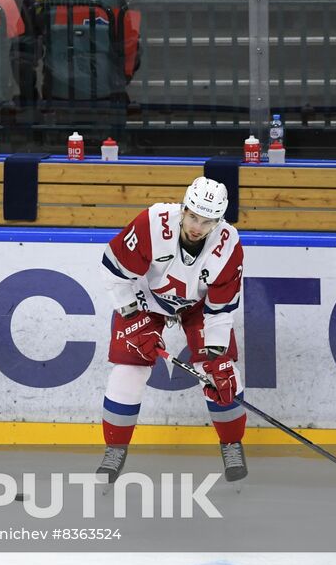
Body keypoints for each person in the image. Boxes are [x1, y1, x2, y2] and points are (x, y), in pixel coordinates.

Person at [96, 177, 247, 484]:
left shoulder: (229, 245)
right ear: (183, 208)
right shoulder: (153, 222)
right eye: (192, 216)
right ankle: (115, 448)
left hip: (198, 306)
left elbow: (219, 312)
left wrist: (216, 357)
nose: (196, 226)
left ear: (219, 220)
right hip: (142, 297)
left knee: (222, 371)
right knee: (129, 369)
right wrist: (134, 319)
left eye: (207, 221)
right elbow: (113, 273)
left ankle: (231, 442)